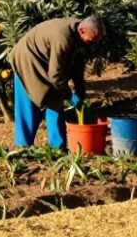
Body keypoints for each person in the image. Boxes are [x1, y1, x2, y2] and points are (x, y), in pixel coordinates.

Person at [9, 15, 106, 149]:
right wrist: (70, 96)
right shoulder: (63, 38)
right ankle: (22, 148)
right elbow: (55, 75)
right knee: (28, 106)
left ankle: (58, 148)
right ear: (82, 31)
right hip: (27, 60)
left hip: (46, 63)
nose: (94, 42)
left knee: (56, 101)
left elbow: (77, 68)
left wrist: (80, 93)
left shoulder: (79, 36)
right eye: (93, 39)